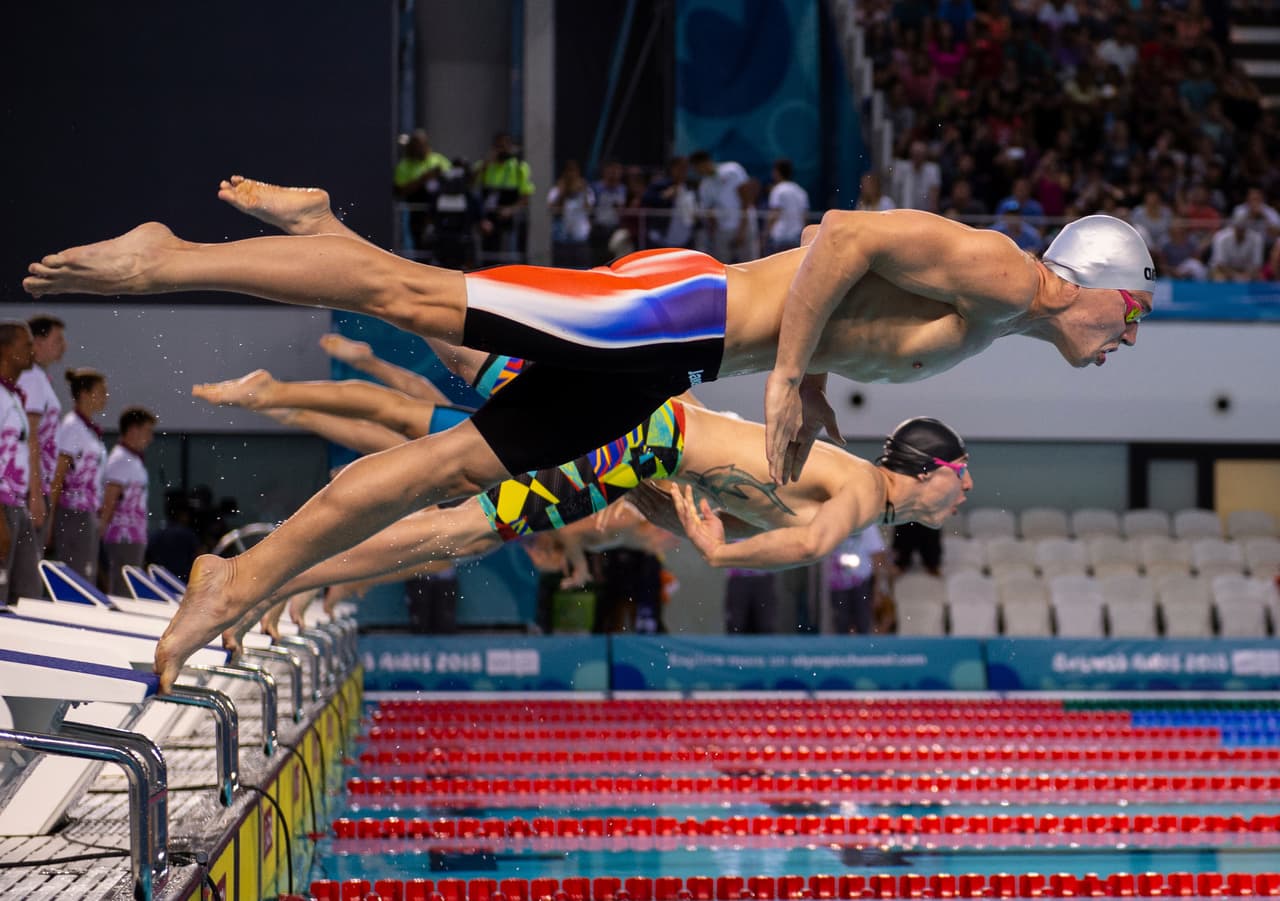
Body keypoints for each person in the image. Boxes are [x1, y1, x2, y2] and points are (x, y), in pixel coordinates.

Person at [22, 176, 1151, 690]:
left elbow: (847, 287)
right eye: (1134, 318)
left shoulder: (997, 318)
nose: (1128, 342)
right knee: (421, 304)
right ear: (1101, 283)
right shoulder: (1003, 269)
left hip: (672, 367)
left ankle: (239, 580)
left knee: (448, 467)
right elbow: (842, 232)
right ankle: (172, 257)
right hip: (679, 313)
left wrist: (801, 388)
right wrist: (793, 377)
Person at [48, 368, 109, 579]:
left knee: (87, 575)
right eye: (101, 391)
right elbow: (59, 474)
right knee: (77, 577)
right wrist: (50, 519)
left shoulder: (87, 429)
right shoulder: (72, 427)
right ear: (84, 394)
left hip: (87, 513)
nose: (106, 397)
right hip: (73, 512)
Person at [0, 322, 44, 604]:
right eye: (26, 344)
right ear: (5, 349)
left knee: (27, 594)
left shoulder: (12, 395)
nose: (32, 350)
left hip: (17, 504)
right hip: (3, 506)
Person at [19, 314, 67, 540]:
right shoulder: (31, 377)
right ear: (37, 343)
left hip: (33, 484)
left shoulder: (38, 377)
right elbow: (30, 435)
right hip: (30, 486)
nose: (64, 347)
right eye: (58, 340)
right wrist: (36, 493)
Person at [100, 406, 158, 594]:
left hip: (132, 537)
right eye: (147, 431)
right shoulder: (120, 459)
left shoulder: (131, 459)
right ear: (133, 429)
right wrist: (100, 531)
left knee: (129, 588)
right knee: (123, 590)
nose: (150, 438)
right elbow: (110, 499)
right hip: (122, 537)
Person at [827, 525, 889, 634]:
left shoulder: (867, 526)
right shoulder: (833, 523)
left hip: (861, 583)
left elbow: (877, 557)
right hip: (837, 584)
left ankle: (863, 649)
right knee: (840, 623)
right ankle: (842, 648)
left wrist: (877, 589)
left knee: (863, 622)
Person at [764, 158, 810, 254]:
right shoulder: (800, 191)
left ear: (777, 172)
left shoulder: (778, 190)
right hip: (796, 236)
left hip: (780, 236)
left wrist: (765, 234)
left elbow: (774, 214)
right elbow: (805, 217)